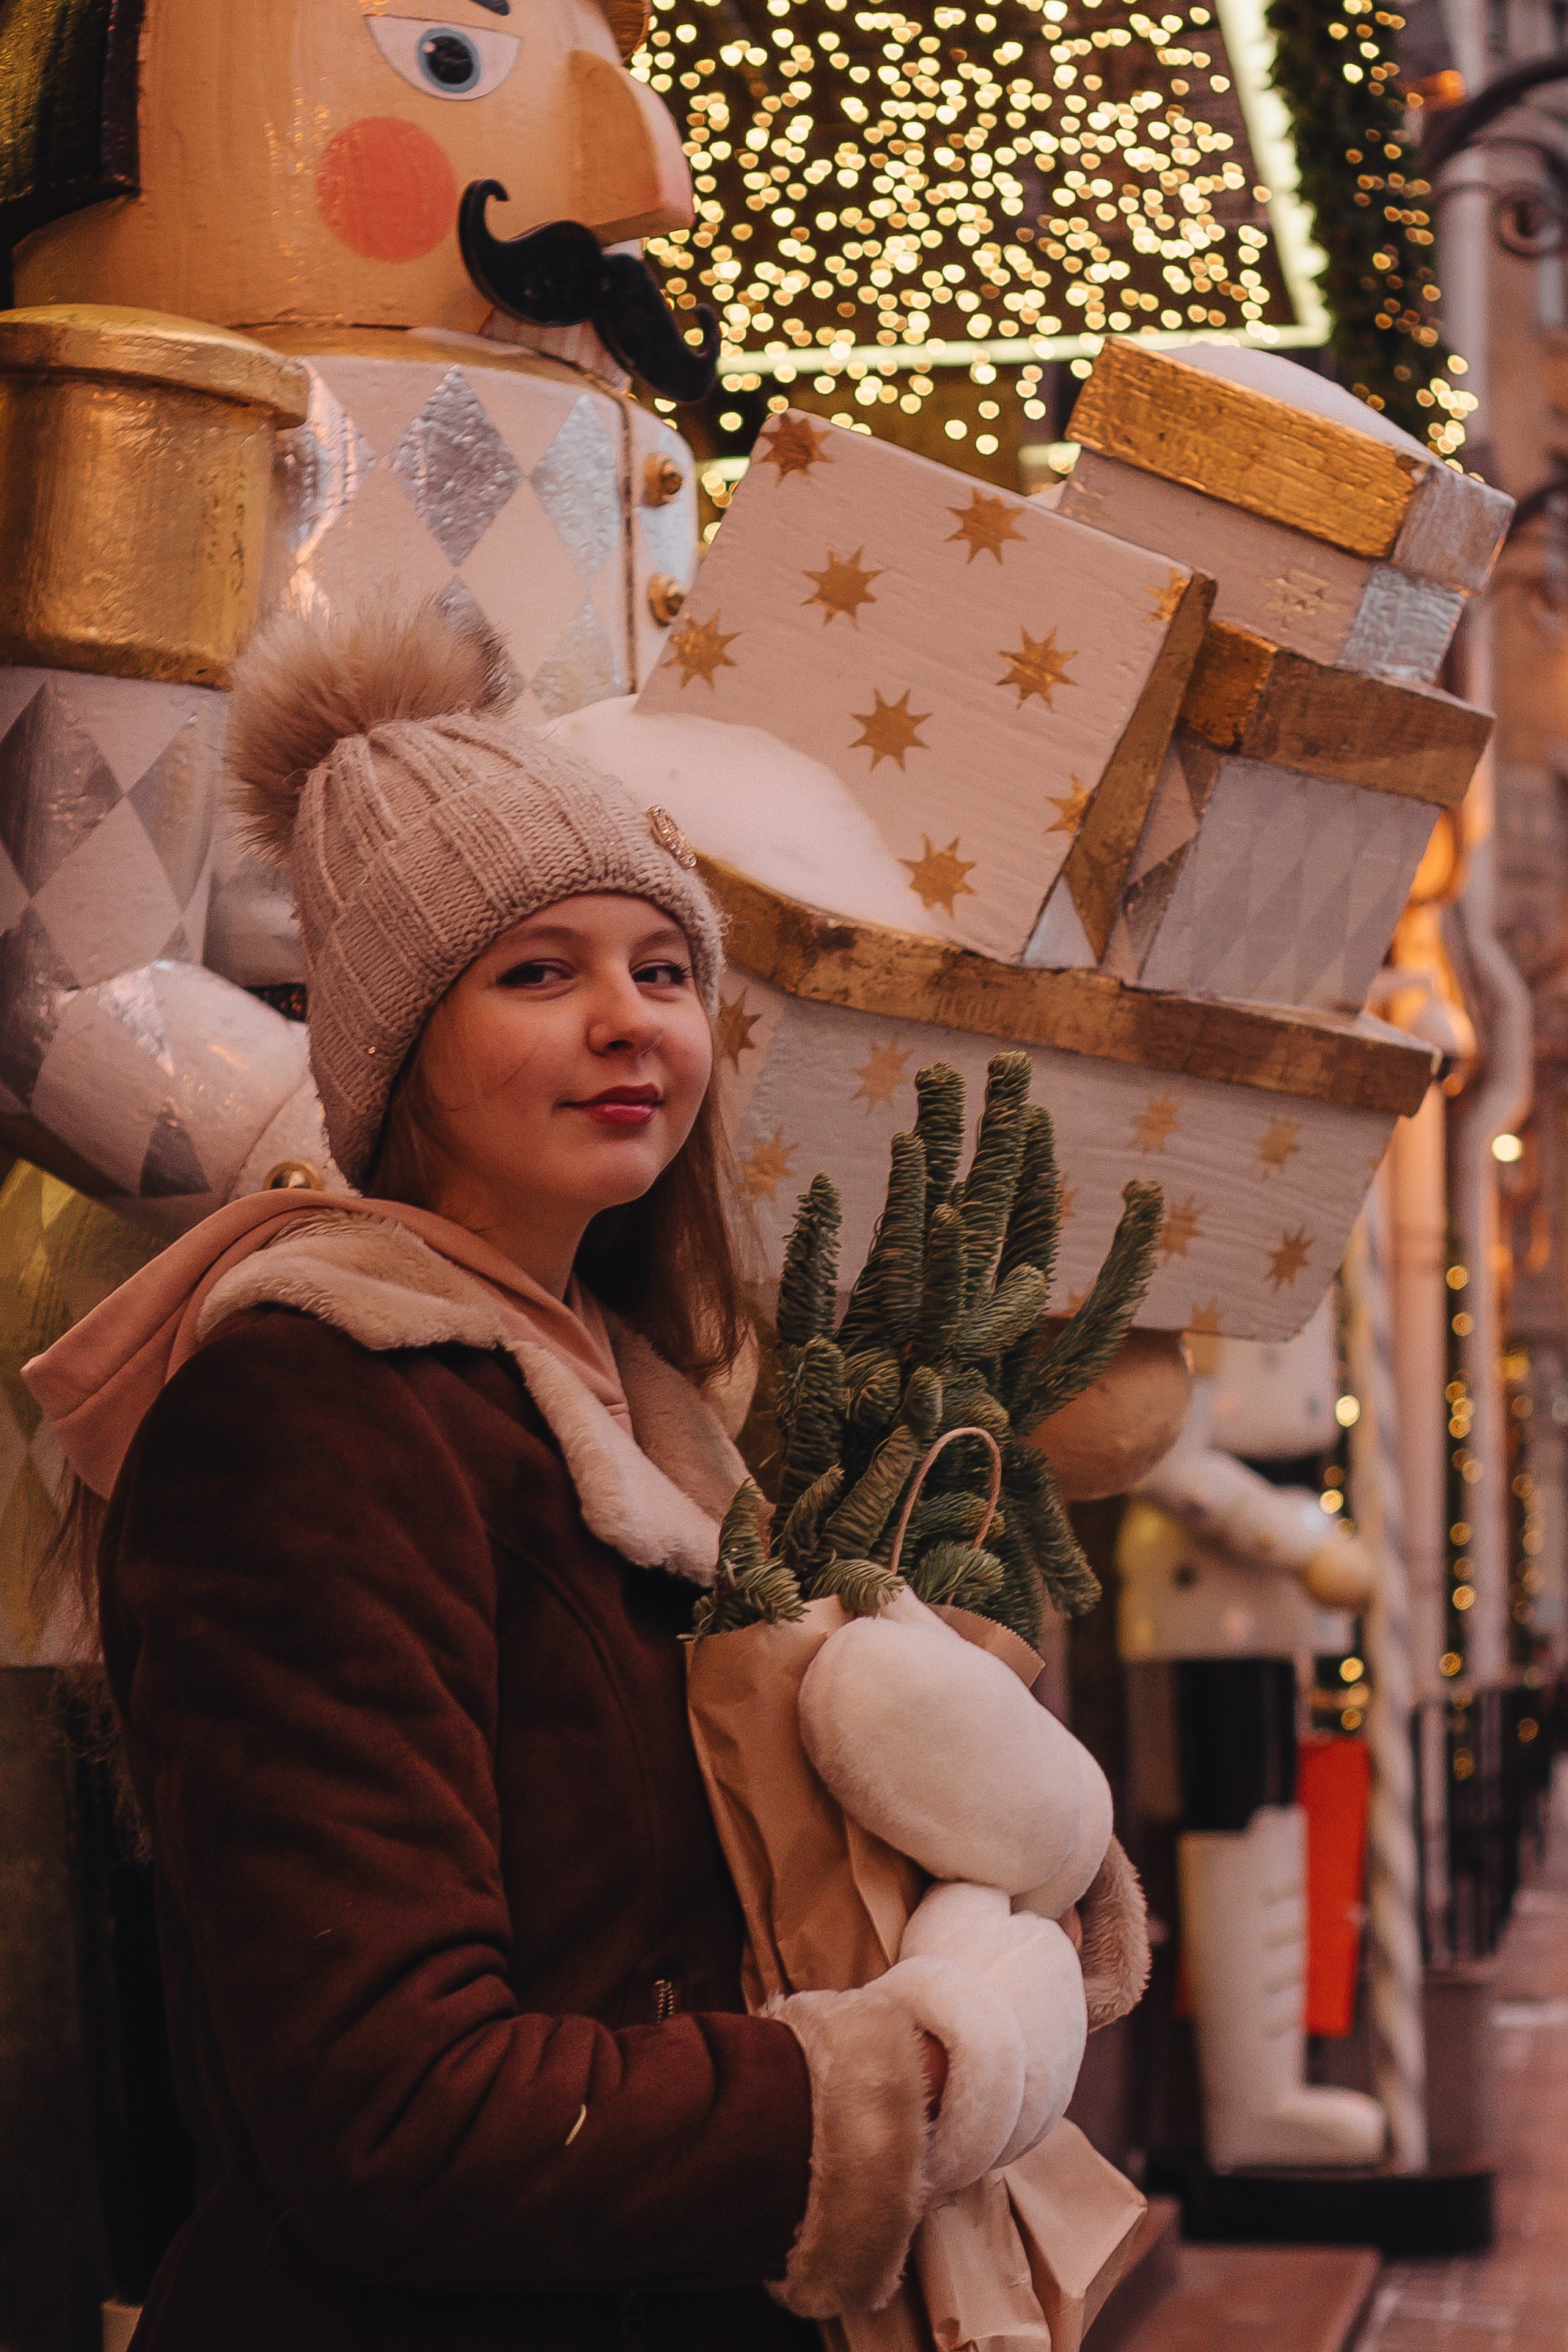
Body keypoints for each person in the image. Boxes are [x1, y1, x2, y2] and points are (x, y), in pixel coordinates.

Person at [26, 604, 1044, 2352]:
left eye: (662, 967)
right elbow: (396, 2110)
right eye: (536, 971)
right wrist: (904, 2079)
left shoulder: (643, 1403)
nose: (626, 1020)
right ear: (393, 1046)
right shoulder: (308, 1417)